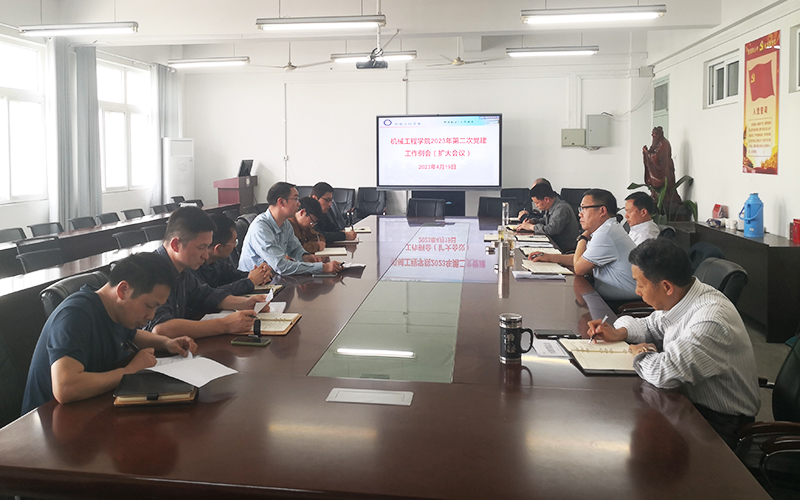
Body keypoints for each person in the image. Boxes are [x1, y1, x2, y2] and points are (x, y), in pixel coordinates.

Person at [587, 238, 760, 448]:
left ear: (666, 286)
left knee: (624, 429)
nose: (637, 292)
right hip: (686, 402)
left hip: (719, 424)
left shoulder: (710, 319)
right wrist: (619, 332)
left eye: (640, 284)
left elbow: (664, 373)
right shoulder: (682, 297)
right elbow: (650, 325)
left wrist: (640, 353)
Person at [22, 253, 198, 414]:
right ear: (123, 290)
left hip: (88, 408)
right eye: (150, 306)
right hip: (49, 422)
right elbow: (66, 388)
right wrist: (129, 371)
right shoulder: (75, 315)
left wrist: (165, 342)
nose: (151, 316)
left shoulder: (115, 310)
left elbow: (132, 334)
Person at [146, 206, 267, 339]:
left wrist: (246, 303)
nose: (206, 255)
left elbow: (206, 295)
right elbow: (161, 329)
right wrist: (224, 325)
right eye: (201, 247)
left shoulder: (182, 269)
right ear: (176, 245)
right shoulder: (152, 272)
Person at [531, 189, 637, 301]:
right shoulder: (607, 229)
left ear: (602, 211)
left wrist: (583, 237)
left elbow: (579, 268)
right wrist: (549, 257)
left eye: (584, 208)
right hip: (608, 296)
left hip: (621, 303)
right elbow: (583, 259)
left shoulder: (606, 234)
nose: (580, 214)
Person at [238, 182, 342, 276]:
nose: (299, 204)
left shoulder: (285, 223)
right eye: (295, 199)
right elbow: (281, 266)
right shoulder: (261, 228)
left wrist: (305, 256)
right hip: (253, 283)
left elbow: (295, 249)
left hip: (273, 277)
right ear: (281, 202)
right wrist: (322, 267)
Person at [192, 214, 273, 295]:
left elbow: (234, 276)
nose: (235, 246)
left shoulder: (217, 262)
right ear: (218, 248)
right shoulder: (192, 270)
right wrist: (250, 282)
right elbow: (210, 295)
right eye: (234, 242)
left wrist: (261, 274)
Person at [516, 183, 580, 252]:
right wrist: (533, 221)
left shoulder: (561, 208)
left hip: (564, 250)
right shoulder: (551, 206)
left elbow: (551, 230)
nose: (536, 206)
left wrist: (531, 227)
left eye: (537, 203)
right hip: (554, 245)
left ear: (546, 199)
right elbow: (545, 220)